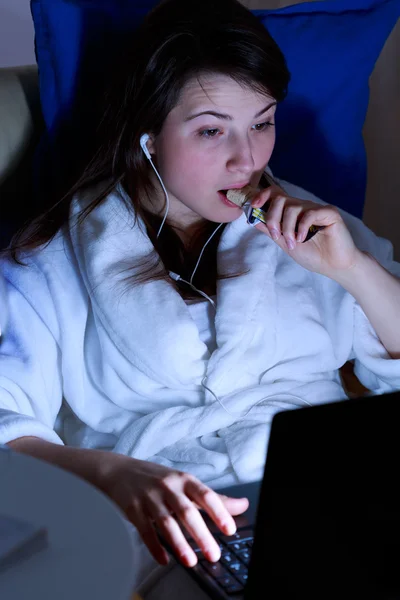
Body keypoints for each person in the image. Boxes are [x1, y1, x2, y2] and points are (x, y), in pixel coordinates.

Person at [1, 0, 400, 582]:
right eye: (212, 130)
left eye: (262, 123)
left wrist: (354, 270)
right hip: (166, 535)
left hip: (336, 509)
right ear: (148, 137)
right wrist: (111, 474)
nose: (248, 160)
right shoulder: (47, 264)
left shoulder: (315, 229)